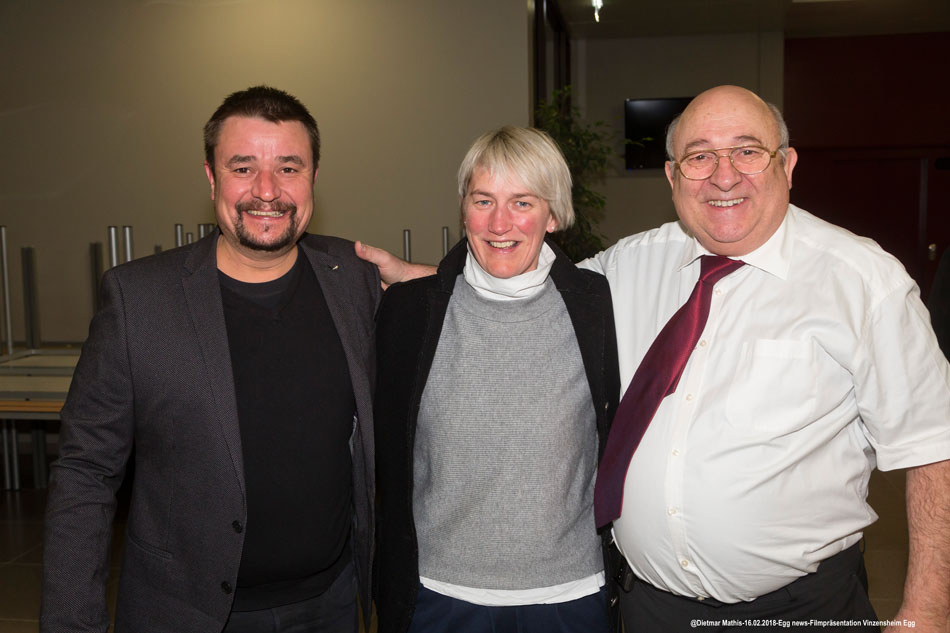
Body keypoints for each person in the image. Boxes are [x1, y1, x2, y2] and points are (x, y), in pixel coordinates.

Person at [357, 86, 950, 632]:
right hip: (648, 606)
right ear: (672, 174)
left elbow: (934, 447)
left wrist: (925, 614)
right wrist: (429, 284)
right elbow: (525, 282)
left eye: (747, 152)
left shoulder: (863, 282)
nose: (723, 175)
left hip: (799, 607)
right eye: (699, 157)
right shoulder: (628, 267)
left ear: (787, 164)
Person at [42, 86, 380, 633]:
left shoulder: (355, 279)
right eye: (243, 168)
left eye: (288, 167)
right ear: (211, 178)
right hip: (186, 613)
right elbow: (86, 471)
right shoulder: (139, 300)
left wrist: (434, 279)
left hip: (333, 604)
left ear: (314, 177)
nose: (267, 190)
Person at [373, 126, 621, 633]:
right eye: (483, 200)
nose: (499, 223)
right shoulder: (410, 312)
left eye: (522, 202)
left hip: (570, 596)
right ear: (464, 209)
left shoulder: (598, 306)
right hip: (439, 595)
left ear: (553, 215)